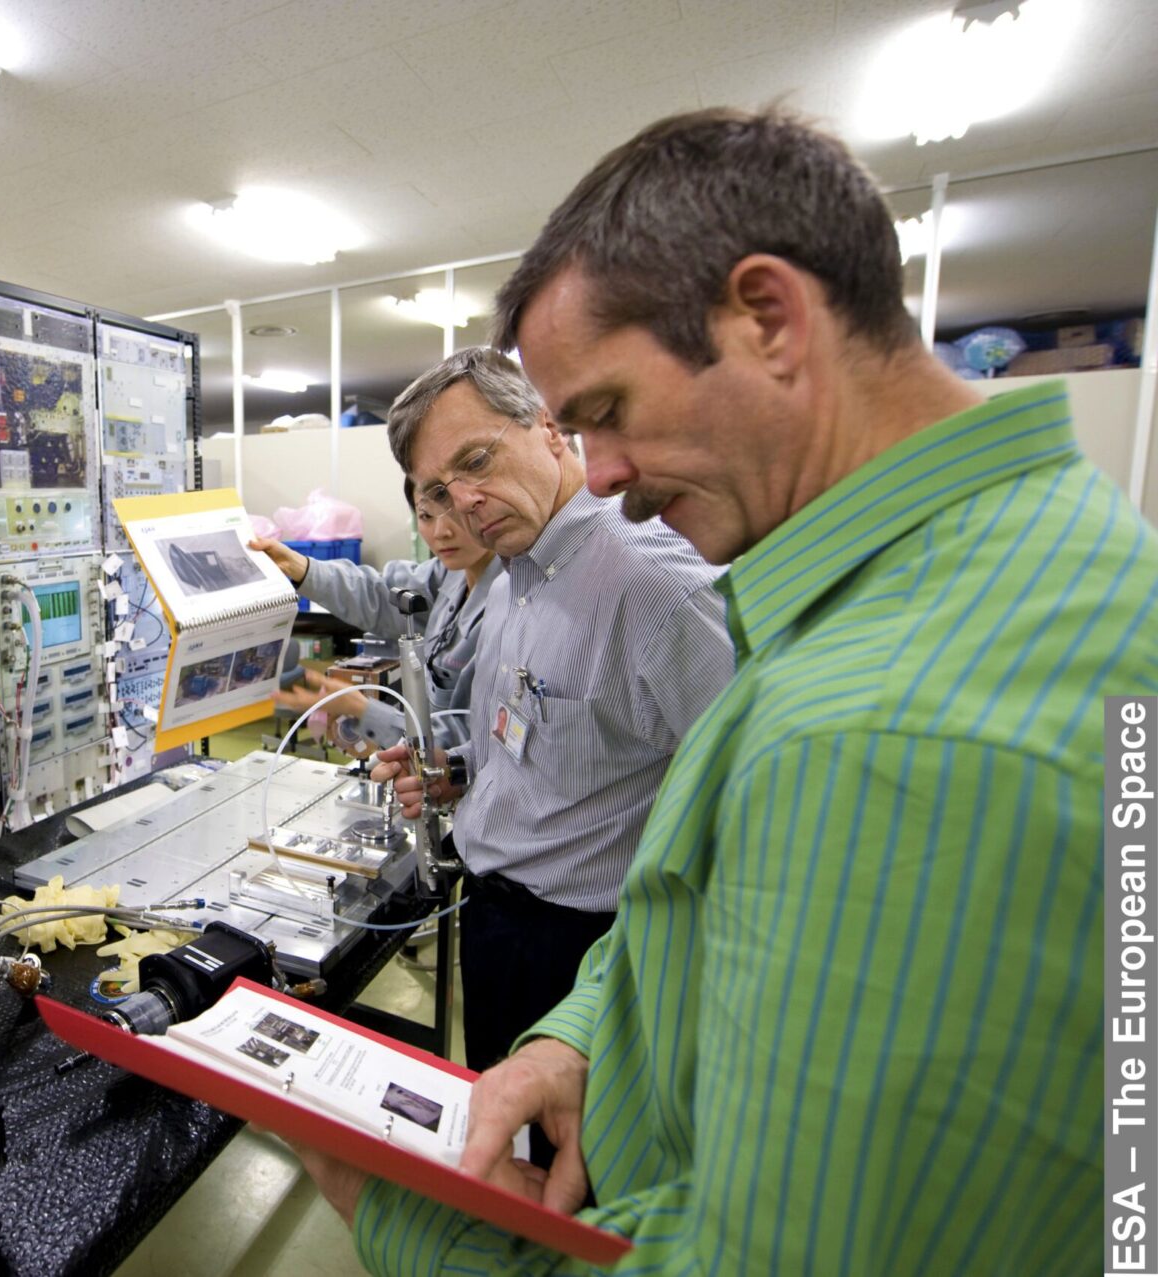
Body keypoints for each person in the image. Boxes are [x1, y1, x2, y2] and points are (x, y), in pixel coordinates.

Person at [303, 107, 1157, 1275]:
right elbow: (704, 888)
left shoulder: (886, 728)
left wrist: (401, 1214)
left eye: (604, 413)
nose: (601, 475)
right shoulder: (1020, 565)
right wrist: (594, 1033)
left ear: (769, 320)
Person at [368, 347, 734, 1074]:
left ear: (549, 427)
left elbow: (746, 811)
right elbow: (546, 734)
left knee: (572, 1171)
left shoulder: (657, 588)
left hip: (585, 950)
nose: (462, 504)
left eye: (476, 460)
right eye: (437, 488)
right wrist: (461, 770)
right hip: (494, 919)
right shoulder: (514, 575)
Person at [251, 478, 501, 754]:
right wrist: (299, 567)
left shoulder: (512, 605)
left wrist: (362, 709)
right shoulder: (451, 575)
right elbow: (379, 594)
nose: (442, 532)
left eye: (454, 513)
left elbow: (479, 740)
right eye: (426, 515)